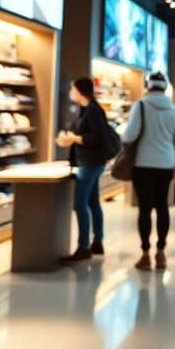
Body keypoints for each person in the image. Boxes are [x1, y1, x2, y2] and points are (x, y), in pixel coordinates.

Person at [122, 72, 175, 271]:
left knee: (145, 208)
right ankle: (161, 252)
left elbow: (130, 135)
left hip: (143, 164)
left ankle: (145, 253)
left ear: (148, 86)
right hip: (166, 164)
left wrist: (124, 135)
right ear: (165, 87)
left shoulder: (140, 106)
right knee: (162, 206)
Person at [57, 77, 112, 262]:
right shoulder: (88, 110)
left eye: (73, 89)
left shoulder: (93, 111)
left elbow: (98, 137)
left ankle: (83, 247)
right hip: (91, 162)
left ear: (80, 91)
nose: (71, 92)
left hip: (90, 163)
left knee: (80, 204)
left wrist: (74, 139)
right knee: (92, 202)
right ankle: (97, 241)